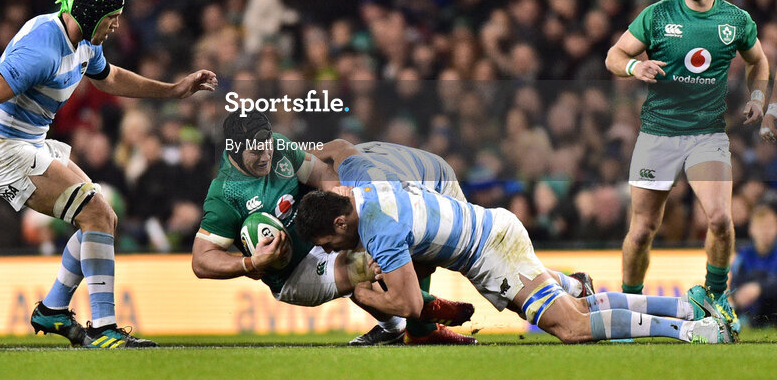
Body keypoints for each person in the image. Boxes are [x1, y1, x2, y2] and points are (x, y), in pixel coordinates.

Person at [0, 0, 217, 349]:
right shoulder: (41, 48)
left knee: (104, 218)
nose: (116, 26)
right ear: (91, 15)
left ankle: (52, 309)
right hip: (3, 147)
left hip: (31, 141)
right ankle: (102, 328)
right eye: (111, 18)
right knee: (94, 213)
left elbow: (109, 78)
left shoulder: (82, 40)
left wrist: (173, 90)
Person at [296, 141, 735, 344]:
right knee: (578, 308)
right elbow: (338, 147)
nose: (333, 252)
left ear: (340, 220)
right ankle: (687, 308)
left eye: (329, 243)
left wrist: (365, 293)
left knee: (571, 327)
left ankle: (690, 331)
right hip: (492, 229)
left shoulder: (379, 231)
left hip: (492, 253)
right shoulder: (360, 177)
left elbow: (410, 305)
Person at [191, 113, 476, 346]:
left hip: (318, 233)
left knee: (393, 237)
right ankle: (421, 318)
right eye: (256, 151)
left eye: (268, 145)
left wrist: (339, 198)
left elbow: (321, 173)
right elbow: (201, 260)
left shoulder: (278, 147)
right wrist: (251, 263)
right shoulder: (224, 194)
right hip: (294, 272)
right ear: (233, 149)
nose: (266, 155)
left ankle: (397, 328)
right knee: (366, 266)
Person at [605, 0, 768, 334]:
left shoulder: (735, 21)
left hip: (706, 135)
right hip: (658, 134)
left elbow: (759, 62)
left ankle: (717, 299)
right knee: (642, 230)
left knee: (721, 219)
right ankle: (630, 307)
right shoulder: (658, 15)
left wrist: (758, 97)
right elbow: (614, 56)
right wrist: (635, 67)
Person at [311, 139, 596, 341]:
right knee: (394, 264)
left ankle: (422, 328)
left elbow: (403, 244)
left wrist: (375, 284)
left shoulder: (367, 195)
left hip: (434, 181)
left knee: (424, 263)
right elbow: (337, 147)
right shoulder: (348, 177)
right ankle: (574, 285)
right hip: (412, 175)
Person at [730, 198, 777, 327]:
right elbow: (734, 286)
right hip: (750, 312)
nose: (765, 231)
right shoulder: (743, 256)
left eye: (770, 226)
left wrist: (759, 288)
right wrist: (738, 296)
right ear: (751, 229)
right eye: (761, 227)